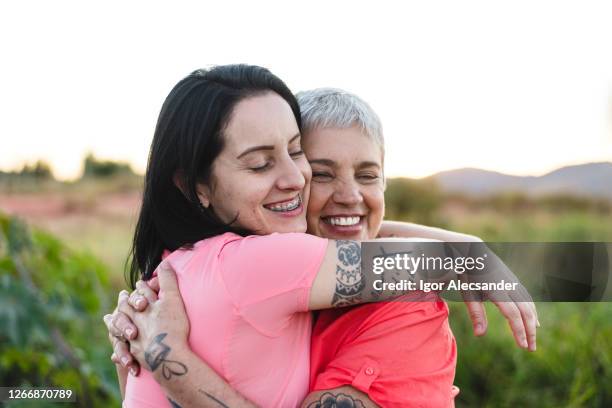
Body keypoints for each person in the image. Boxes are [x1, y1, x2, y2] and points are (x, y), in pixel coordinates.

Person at [105, 66, 537, 407]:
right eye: (260, 164)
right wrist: (172, 364)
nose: (294, 178)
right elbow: (572, 273)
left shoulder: (176, 267)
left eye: (295, 152)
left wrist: (466, 245)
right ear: (195, 185)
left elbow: (350, 243)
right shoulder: (262, 262)